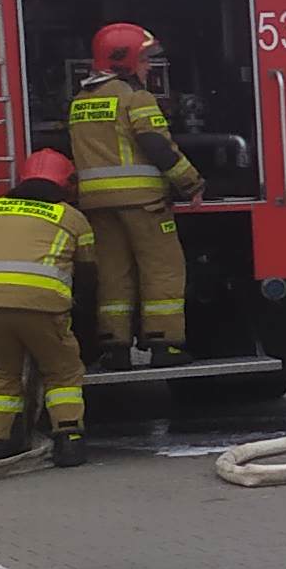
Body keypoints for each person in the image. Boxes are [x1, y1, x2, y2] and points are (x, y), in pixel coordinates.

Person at [64, 20, 202, 367]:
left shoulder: (80, 101)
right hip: (144, 203)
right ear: (123, 60)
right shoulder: (135, 97)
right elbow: (156, 145)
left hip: (97, 206)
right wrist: (191, 183)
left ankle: (115, 347)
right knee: (163, 268)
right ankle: (164, 344)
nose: (149, 66)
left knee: (114, 274)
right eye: (144, 58)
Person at [0, 150, 94, 466]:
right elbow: (89, 273)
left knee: (5, 370)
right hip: (41, 306)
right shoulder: (72, 218)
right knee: (62, 371)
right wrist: (87, 318)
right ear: (67, 184)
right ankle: (69, 440)